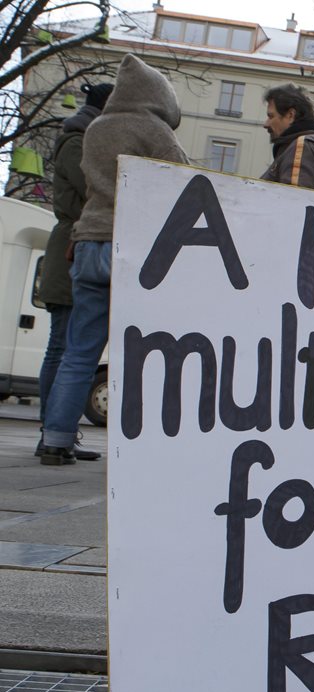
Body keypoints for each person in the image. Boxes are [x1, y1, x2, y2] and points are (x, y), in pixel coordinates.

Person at [40, 55, 189, 465]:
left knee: (79, 351)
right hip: (133, 247)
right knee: (144, 352)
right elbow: (185, 179)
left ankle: (55, 439)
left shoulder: (95, 129)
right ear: (158, 96)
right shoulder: (152, 130)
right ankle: (143, 449)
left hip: (88, 243)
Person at [34, 82, 113, 461]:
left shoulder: (81, 136)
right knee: (63, 347)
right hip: (73, 245)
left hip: (77, 243)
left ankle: (56, 433)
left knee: (67, 346)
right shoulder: (78, 140)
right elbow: (92, 187)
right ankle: (51, 432)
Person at [261, 84, 314, 191]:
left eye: (271, 116)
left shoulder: (303, 146)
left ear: (291, 115)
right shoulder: (305, 145)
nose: (266, 124)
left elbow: (294, 201)